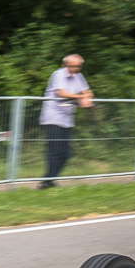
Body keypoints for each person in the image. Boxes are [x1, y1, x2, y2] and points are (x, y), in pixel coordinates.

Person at [38, 54, 93, 189]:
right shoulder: (58, 74)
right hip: (54, 117)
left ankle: (48, 180)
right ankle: (47, 181)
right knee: (55, 151)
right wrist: (81, 97)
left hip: (67, 119)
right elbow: (61, 93)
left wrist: (87, 97)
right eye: (72, 66)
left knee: (66, 154)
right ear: (64, 65)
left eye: (77, 66)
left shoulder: (78, 76)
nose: (74, 69)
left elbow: (87, 91)